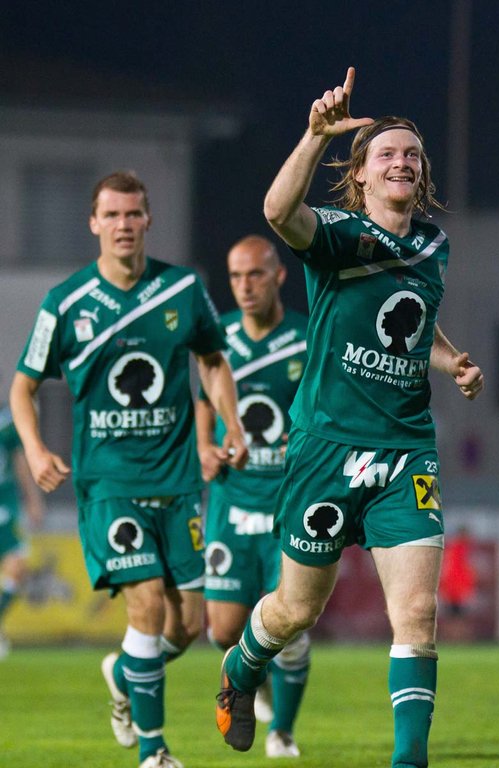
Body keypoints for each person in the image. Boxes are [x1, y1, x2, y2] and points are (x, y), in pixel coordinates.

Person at [215, 67, 484, 767]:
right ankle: (242, 667)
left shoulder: (433, 246)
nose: (402, 162)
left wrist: (450, 360)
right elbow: (278, 212)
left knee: (417, 615)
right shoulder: (336, 236)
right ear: (360, 175)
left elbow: (413, 322)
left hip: (405, 451)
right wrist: (314, 137)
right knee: (295, 610)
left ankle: (409, 761)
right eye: (386, 153)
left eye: (412, 154)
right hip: (327, 449)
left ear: (422, 174)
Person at [10, 170, 247, 768]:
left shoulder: (183, 289)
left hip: (176, 482)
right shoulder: (66, 302)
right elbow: (23, 386)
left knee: (185, 626)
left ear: (148, 220)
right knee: (145, 604)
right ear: (93, 222)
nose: (123, 224)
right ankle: (153, 750)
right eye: (111, 215)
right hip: (108, 483)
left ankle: (123, 672)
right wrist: (35, 449)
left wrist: (232, 425)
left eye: (133, 214)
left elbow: (213, 361)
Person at [196, 235, 309, 758]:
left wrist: (301, 440)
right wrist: (205, 446)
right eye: (236, 276)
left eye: (255, 274)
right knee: (223, 630)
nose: (244, 286)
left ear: (279, 276)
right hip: (230, 500)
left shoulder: (306, 338)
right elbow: (204, 400)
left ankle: (282, 730)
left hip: (287, 503)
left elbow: (325, 403)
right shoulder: (218, 337)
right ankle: (252, 673)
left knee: (291, 621)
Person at [0, 402, 44, 658]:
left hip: (5, 506)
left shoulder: (7, 424)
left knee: (17, 567)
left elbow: (20, 462)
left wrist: (33, 500)